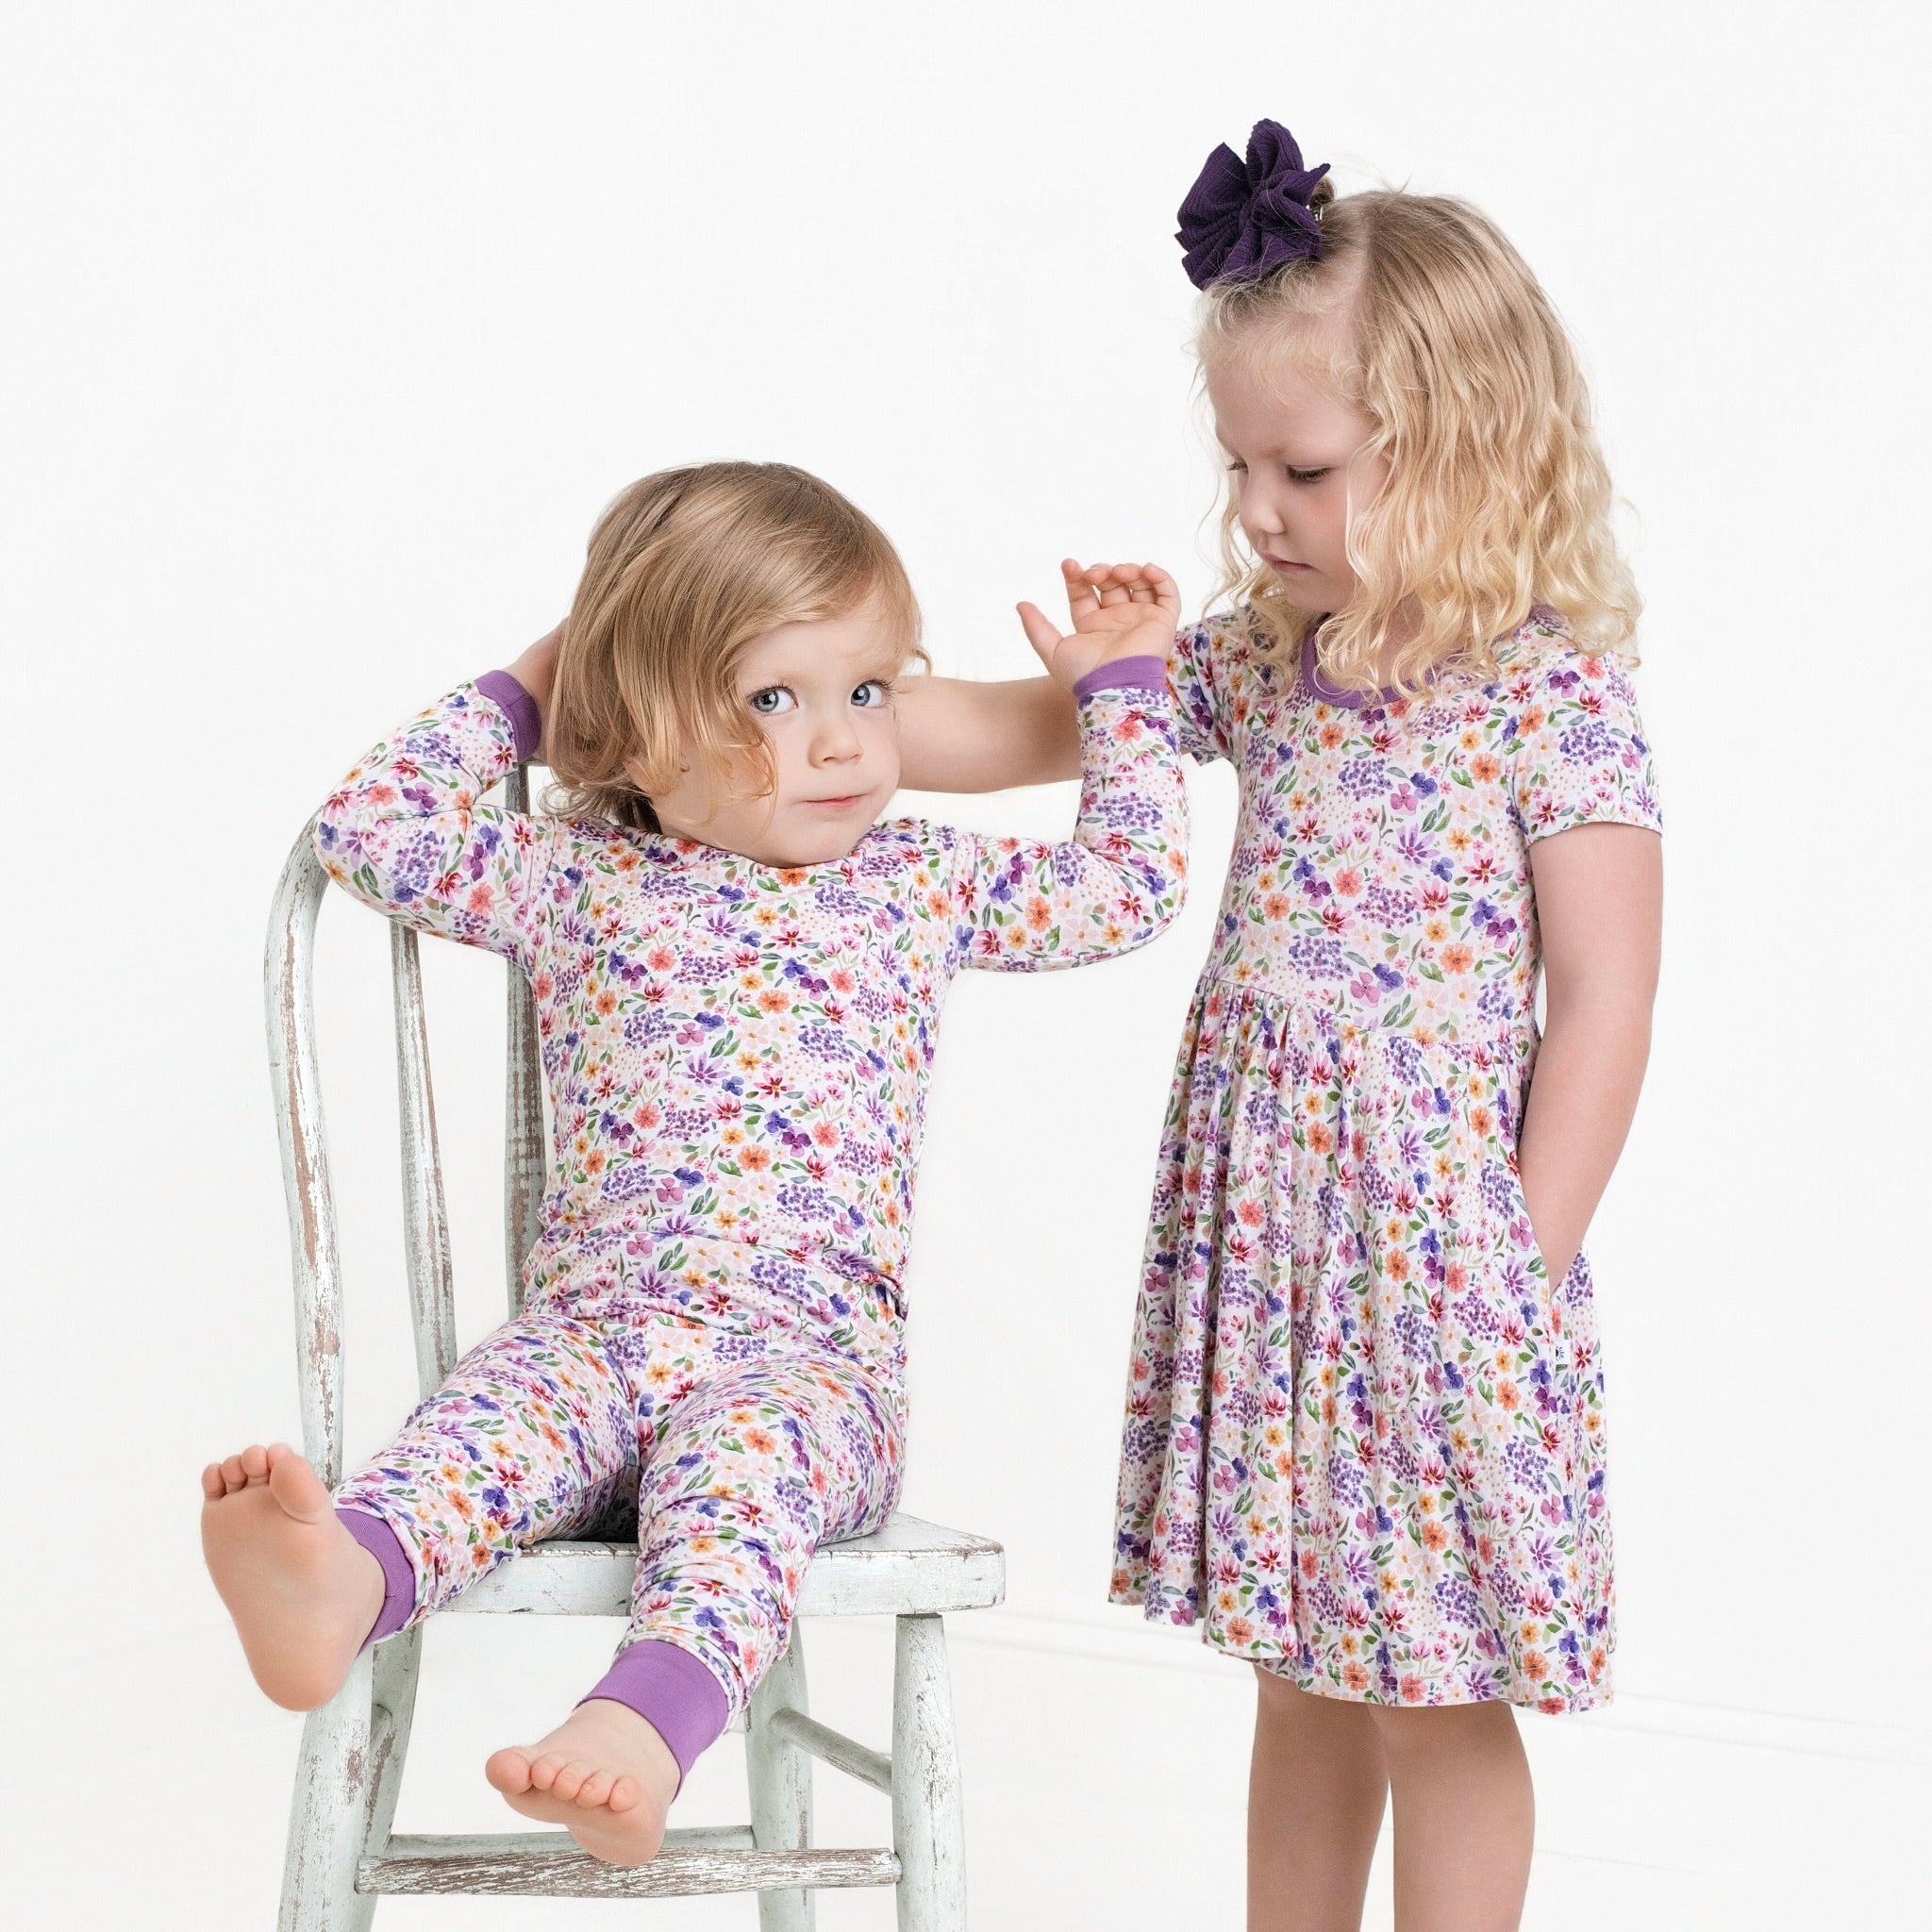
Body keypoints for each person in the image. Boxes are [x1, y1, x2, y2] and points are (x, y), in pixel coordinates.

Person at [891, 123, 1663, 1932]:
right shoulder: (1261, 658)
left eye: (1302, 471)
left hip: (1440, 1255)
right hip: (1276, 1239)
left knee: (1432, 1687)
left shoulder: (1548, 682)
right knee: (1300, 1667)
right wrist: (807, 705)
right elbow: (1014, 735)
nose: (1256, 513)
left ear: (1460, 450)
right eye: (1241, 466)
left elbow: (1607, 995)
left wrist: (1517, 1258)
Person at [201, 460, 1188, 1867]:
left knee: (740, 1477)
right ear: (639, 727)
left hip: (810, 1368)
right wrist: (539, 689)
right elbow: (370, 833)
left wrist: (1125, 691)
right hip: (597, 1334)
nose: (843, 742)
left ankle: (641, 1721)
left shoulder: (914, 878)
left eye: (870, 690)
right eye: (771, 701)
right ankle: (344, 1575)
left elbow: (1126, 888)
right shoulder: (573, 869)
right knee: (489, 1420)